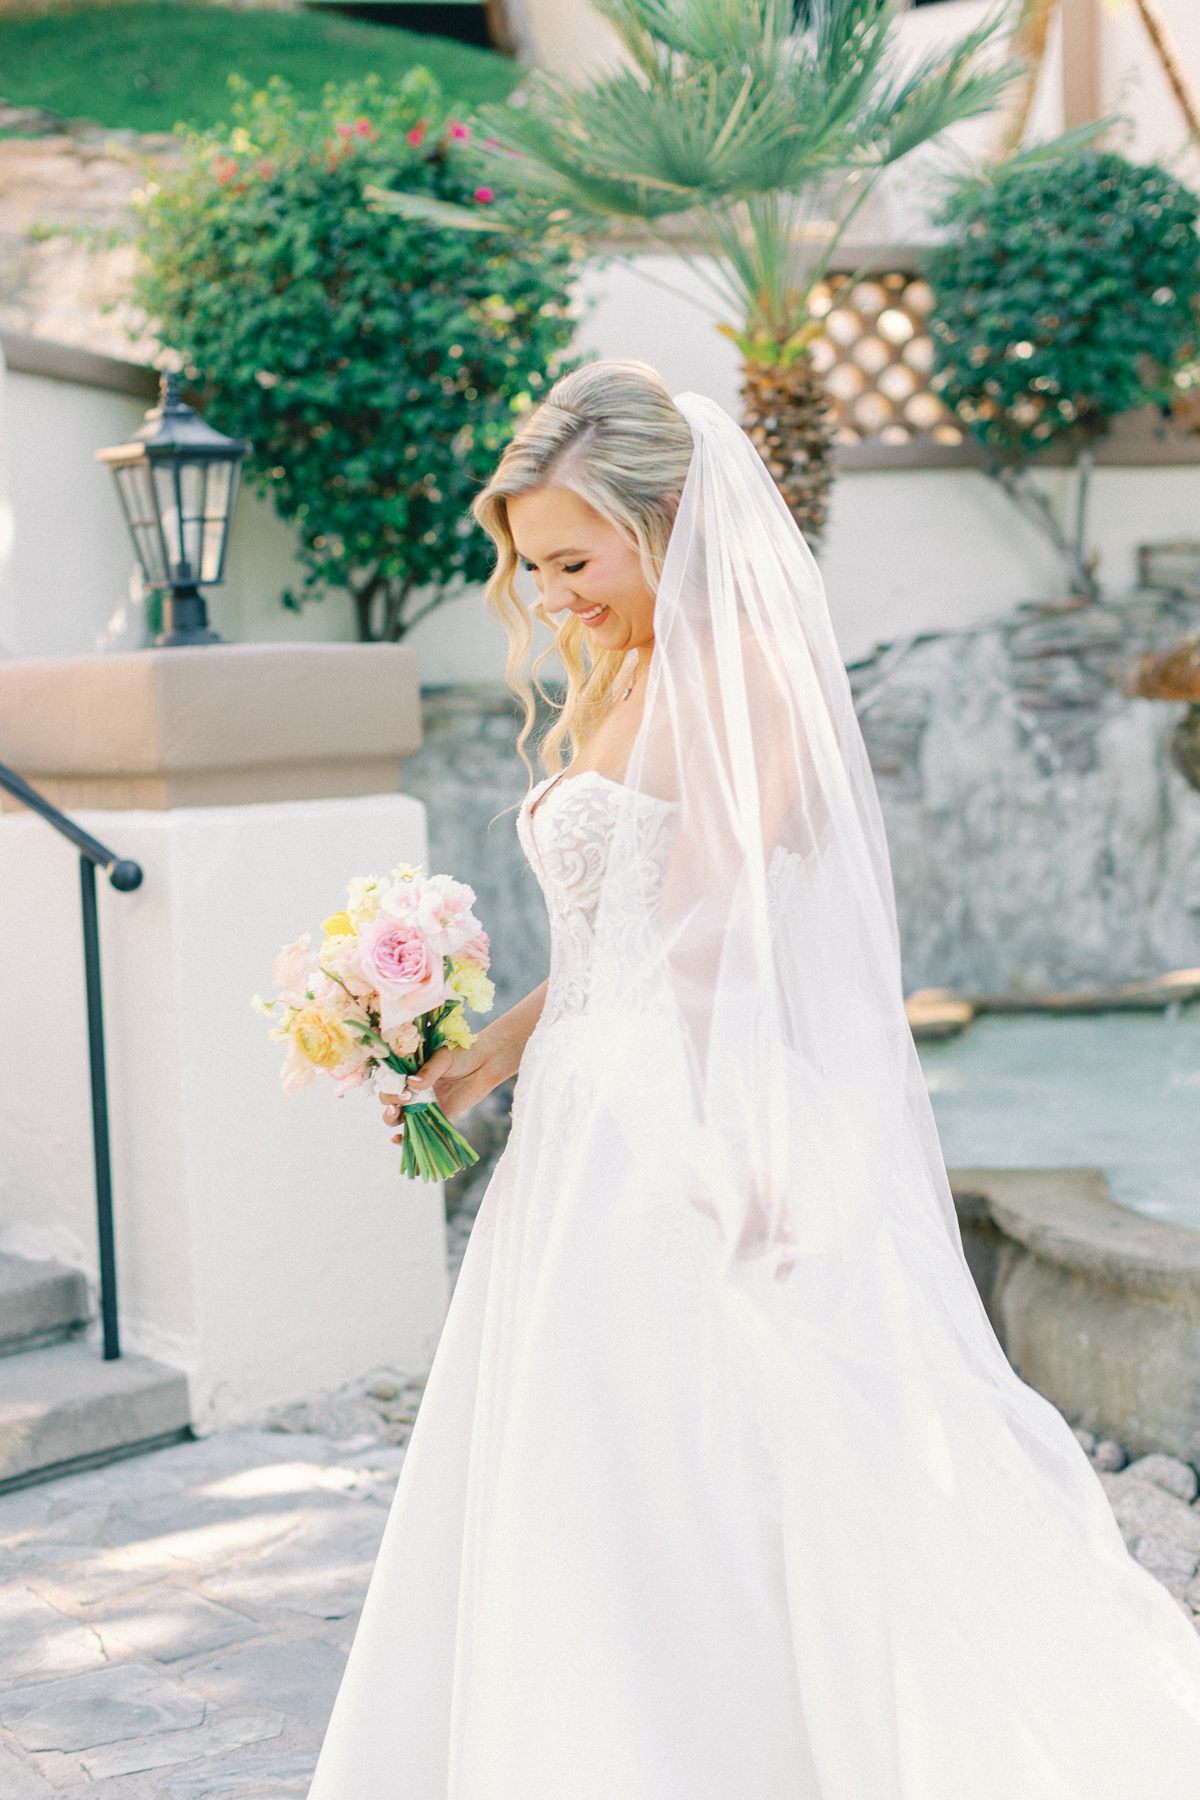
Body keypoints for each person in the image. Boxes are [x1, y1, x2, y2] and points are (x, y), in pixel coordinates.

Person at [307, 362, 1200, 1800]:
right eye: (531, 568)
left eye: (575, 561)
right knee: (587, 1468)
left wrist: (740, 1154)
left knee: (716, 1458)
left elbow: (726, 941)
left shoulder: (747, 683)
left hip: (680, 1120)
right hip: (584, 1119)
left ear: (667, 525)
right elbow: (618, 938)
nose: (551, 598)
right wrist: (485, 1052)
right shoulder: (634, 674)